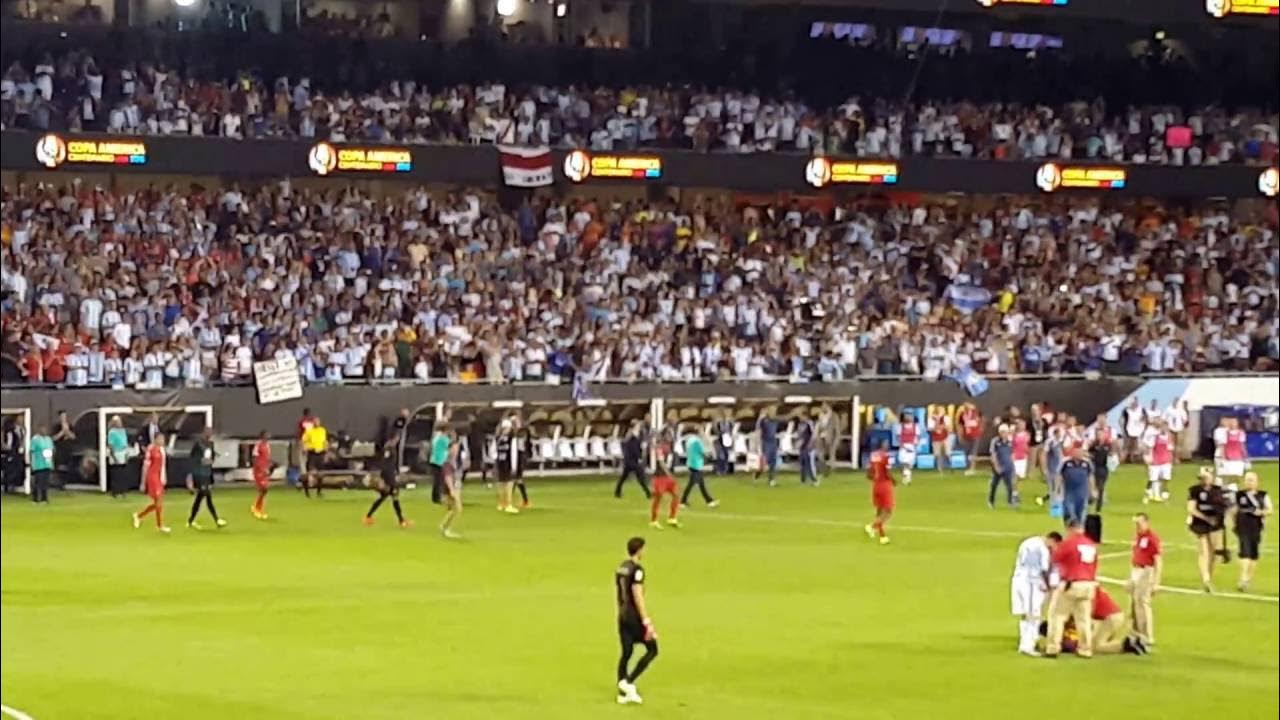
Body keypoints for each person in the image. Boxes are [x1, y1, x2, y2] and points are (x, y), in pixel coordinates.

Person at [1045, 520, 1100, 659]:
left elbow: (1055, 559)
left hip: (1072, 583)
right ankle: (1085, 649)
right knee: (1083, 619)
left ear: (1070, 529)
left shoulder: (1069, 543)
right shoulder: (1091, 544)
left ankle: (1053, 647)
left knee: (1057, 616)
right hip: (1088, 584)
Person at [615, 536, 659, 705]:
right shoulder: (637, 570)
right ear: (639, 550)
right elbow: (637, 595)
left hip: (623, 615)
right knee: (653, 649)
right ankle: (629, 683)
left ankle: (622, 691)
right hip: (634, 617)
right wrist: (646, 620)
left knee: (626, 652)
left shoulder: (622, 567)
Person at [1011, 531, 1061, 657]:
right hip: (1032, 583)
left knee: (1025, 614)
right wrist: (1049, 585)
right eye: (1054, 546)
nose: (1053, 549)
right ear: (1052, 540)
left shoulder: (1027, 542)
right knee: (1034, 614)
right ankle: (1028, 646)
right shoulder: (1042, 548)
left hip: (1018, 580)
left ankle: (1025, 641)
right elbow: (1044, 570)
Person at [1187, 467, 1228, 592]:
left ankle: (1209, 577)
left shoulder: (1218, 490)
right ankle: (1206, 579)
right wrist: (1205, 518)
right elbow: (1191, 509)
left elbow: (1225, 507)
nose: (1205, 479)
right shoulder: (1194, 490)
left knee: (1215, 553)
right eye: (1203, 477)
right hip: (1200, 524)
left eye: (1208, 476)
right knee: (1204, 551)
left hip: (1216, 524)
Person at [1127, 512, 1162, 645]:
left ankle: (1147, 635)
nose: (1136, 526)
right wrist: (1130, 577)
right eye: (1135, 524)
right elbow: (1134, 556)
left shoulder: (1152, 538)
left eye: (1139, 523)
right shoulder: (1137, 537)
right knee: (1133, 604)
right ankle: (1135, 633)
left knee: (1142, 603)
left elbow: (1158, 560)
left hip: (1146, 571)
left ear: (1146, 522)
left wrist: (1156, 582)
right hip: (1136, 570)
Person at [1234, 471, 1272, 592]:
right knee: (1245, 551)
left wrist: (1261, 513)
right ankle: (1243, 578)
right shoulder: (1239, 495)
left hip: (1256, 527)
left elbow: (1269, 510)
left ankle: (1247, 579)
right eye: (1247, 480)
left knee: (1254, 553)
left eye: (1251, 480)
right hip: (1243, 526)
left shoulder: (1263, 495)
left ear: (1257, 482)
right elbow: (1233, 509)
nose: (1249, 482)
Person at [187, 426, 226, 530]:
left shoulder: (211, 444)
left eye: (211, 432)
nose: (209, 434)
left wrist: (211, 461)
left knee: (200, 498)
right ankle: (217, 519)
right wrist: (190, 476)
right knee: (207, 495)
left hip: (207, 474)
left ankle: (190, 520)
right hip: (199, 473)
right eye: (208, 432)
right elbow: (192, 458)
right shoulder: (198, 444)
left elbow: (212, 458)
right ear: (204, 432)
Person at [132, 432, 172, 533]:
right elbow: (145, 467)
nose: (162, 441)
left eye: (163, 439)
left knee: (158, 503)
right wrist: (142, 482)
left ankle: (138, 516)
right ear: (155, 439)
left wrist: (164, 477)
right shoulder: (150, 449)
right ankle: (160, 525)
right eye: (160, 439)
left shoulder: (162, 450)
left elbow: (163, 465)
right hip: (152, 477)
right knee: (158, 501)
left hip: (159, 477)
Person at [1089, 587, 1147, 655]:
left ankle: (1127, 645)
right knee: (1102, 642)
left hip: (1109, 619)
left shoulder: (1086, 592)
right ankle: (1134, 643)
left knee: (1095, 646)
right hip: (1114, 616)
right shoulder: (1093, 588)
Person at [364, 442, 411, 528]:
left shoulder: (386, 455)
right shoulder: (391, 454)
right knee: (395, 500)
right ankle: (402, 521)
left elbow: (386, 467)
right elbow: (389, 467)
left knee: (383, 498)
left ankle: (368, 516)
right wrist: (392, 480)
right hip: (390, 480)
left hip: (386, 478)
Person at [864, 440, 895, 545]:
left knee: (879, 512)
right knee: (888, 512)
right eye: (886, 443)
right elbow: (888, 472)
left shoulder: (873, 456)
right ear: (882, 445)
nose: (887, 445)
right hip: (885, 486)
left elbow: (868, 473)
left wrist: (873, 479)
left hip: (876, 486)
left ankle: (882, 537)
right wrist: (894, 481)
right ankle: (871, 526)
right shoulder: (886, 457)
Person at [1086, 414, 1116, 511]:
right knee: (1092, 484)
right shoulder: (1093, 438)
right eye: (1100, 418)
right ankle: (1091, 497)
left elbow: (1113, 449)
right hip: (1093, 465)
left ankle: (1098, 505)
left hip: (1104, 467)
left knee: (1101, 485)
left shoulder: (1109, 441)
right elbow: (1088, 449)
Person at [680, 429, 717, 508]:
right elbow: (703, 453)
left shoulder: (691, 441)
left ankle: (709, 501)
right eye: (702, 433)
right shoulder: (698, 442)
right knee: (691, 484)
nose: (703, 435)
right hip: (696, 465)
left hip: (691, 463)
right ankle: (682, 501)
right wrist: (711, 458)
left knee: (701, 484)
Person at [1059, 446, 1095, 527]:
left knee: (1081, 514)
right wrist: (1058, 488)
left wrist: (1092, 491)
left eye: (1080, 452)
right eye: (1076, 452)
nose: (1078, 454)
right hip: (1069, 492)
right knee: (1069, 512)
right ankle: (1070, 527)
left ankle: (1079, 529)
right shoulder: (1065, 462)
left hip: (1082, 493)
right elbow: (1059, 475)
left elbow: (1090, 477)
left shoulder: (1087, 463)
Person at [616, 422, 652, 499]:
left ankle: (617, 492)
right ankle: (648, 493)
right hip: (632, 460)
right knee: (640, 476)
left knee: (624, 477)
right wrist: (639, 457)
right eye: (638, 425)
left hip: (629, 459)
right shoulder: (632, 435)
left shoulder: (633, 435)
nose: (639, 427)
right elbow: (633, 448)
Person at [1141, 419, 1174, 503]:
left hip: (1166, 461)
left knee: (1165, 478)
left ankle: (1163, 492)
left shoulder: (1169, 436)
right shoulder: (1155, 437)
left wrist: (1171, 458)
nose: (1164, 428)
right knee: (1153, 478)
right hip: (1156, 461)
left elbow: (1171, 448)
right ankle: (1151, 494)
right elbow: (1150, 447)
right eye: (1162, 427)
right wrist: (1149, 458)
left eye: (1165, 427)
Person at [439, 429, 463, 539]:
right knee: (455, 509)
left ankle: (445, 527)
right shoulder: (448, 461)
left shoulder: (452, 460)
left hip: (450, 488)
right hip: (447, 490)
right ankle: (445, 528)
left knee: (454, 510)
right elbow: (447, 476)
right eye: (455, 448)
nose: (456, 450)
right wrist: (452, 490)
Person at [494, 418, 521, 514]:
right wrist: (514, 467)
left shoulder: (497, 438)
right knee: (509, 484)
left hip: (499, 463)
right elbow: (513, 453)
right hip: (508, 463)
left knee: (501, 484)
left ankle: (502, 504)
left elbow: (493, 452)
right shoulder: (512, 438)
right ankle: (509, 505)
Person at [648, 455, 681, 530]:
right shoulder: (660, 447)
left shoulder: (671, 447)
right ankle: (654, 521)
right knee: (658, 499)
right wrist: (669, 474)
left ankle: (672, 518)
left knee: (676, 495)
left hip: (668, 478)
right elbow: (661, 462)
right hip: (660, 478)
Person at [987, 424, 1015, 509]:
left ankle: (1010, 502)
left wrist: (1012, 465)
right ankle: (991, 502)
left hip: (1007, 467)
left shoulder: (1010, 442)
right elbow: (993, 455)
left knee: (1009, 486)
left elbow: (1012, 454)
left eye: (1005, 432)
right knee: (994, 485)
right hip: (999, 466)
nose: (1004, 434)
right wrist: (996, 466)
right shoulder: (995, 441)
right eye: (1002, 432)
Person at [301, 415, 328, 498]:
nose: (317, 423)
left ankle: (319, 492)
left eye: (318, 421)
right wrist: (304, 449)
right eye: (315, 421)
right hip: (312, 453)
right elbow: (303, 441)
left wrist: (326, 450)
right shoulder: (309, 431)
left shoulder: (322, 430)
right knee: (309, 473)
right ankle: (307, 492)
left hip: (320, 453)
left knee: (320, 474)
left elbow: (324, 441)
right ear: (313, 423)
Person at [427, 414, 451, 505]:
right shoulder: (443, 438)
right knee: (439, 480)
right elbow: (448, 447)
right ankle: (437, 498)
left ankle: (436, 497)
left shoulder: (436, 437)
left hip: (434, 460)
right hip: (439, 461)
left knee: (437, 480)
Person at [105, 415, 131, 498]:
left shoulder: (123, 431)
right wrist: (114, 457)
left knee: (123, 474)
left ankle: (123, 491)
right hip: (116, 452)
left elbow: (125, 442)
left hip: (123, 452)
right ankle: (115, 492)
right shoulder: (112, 432)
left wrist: (127, 453)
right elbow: (111, 445)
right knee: (116, 474)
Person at [754, 408, 780, 486]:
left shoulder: (775, 420)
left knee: (773, 462)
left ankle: (771, 479)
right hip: (766, 443)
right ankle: (757, 474)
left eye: (774, 411)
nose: (773, 413)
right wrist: (757, 443)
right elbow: (758, 428)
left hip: (773, 443)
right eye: (772, 411)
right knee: (764, 463)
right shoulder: (763, 420)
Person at [29, 424, 54, 504]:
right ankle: (35, 498)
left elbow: (51, 450)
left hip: (47, 464)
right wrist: (32, 463)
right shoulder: (35, 439)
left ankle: (44, 498)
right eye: (42, 429)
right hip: (39, 464)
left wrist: (52, 462)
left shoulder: (48, 439)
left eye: (45, 429)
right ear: (39, 429)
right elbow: (32, 451)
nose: (44, 431)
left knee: (45, 482)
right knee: (38, 482)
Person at [251, 430, 272, 519]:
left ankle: (257, 507)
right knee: (264, 489)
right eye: (267, 435)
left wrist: (269, 466)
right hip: (259, 470)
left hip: (265, 470)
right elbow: (254, 458)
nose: (269, 436)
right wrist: (260, 469)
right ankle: (257, 509)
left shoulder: (267, 445)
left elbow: (266, 458)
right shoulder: (258, 445)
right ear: (263, 436)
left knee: (264, 490)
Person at [1220, 418, 1249, 483]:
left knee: (1238, 477)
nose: (1233, 424)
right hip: (1228, 458)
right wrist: (1223, 457)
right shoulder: (1226, 433)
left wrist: (1245, 457)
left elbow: (1242, 446)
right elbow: (1223, 446)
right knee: (1228, 477)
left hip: (1238, 458)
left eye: (1234, 422)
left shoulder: (1241, 433)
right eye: (1232, 422)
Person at [959, 403, 983, 476]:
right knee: (967, 452)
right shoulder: (962, 414)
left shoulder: (976, 413)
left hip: (975, 435)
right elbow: (961, 425)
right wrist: (960, 435)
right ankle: (967, 467)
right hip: (966, 436)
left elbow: (979, 421)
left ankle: (972, 468)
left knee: (973, 452)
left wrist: (980, 430)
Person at [1121, 397, 1146, 464]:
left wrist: (1143, 428)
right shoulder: (1126, 410)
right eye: (1133, 402)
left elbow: (1145, 419)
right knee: (1126, 447)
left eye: (1135, 401)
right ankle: (1122, 461)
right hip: (1128, 431)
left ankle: (1132, 460)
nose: (1134, 403)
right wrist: (1123, 430)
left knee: (1135, 447)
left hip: (1137, 431)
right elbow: (1122, 420)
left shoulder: (1141, 409)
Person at [897, 413, 919, 485]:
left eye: (910, 417)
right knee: (903, 463)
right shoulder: (900, 426)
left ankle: (907, 479)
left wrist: (915, 445)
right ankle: (906, 477)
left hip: (911, 446)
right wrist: (902, 445)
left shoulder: (915, 426)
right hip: (903, 446)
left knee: (908, 464)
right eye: (907, 417)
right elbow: (898, 437)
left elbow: (917, 437)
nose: (908, 418)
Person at [797, 411, 818, 485]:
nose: (800, 418)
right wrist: (798, 443)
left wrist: (811, 444)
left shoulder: (809, 423)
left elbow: (814, 435)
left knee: (809, 464)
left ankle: (814, 480)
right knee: (802, 464)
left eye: (801, 416)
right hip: (802, 447)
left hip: (808, 447)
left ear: (805, 416)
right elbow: (800, 435)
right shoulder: (800, 424)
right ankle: (803, 480)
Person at [1012, 419, 1031, 495]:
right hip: (1015, 457)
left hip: (1023, 457)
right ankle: (1013, 491)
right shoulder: (1014, 434)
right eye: (1020, 424)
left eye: (1023, 425)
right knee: (1014, 475)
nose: (1022, 426)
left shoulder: (1027, 434)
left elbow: (1027, 445)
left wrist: (1027, 453)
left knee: (1021, 476)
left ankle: (1016, 491)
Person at [714, 410, 736, 476]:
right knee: (721, 456)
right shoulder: (719, 423)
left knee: (726, 456)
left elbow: (731, 431)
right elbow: (717, 431)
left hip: (727, 441)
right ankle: (720, 470)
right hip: (721, 441)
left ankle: (724, 470)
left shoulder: (729, 423)